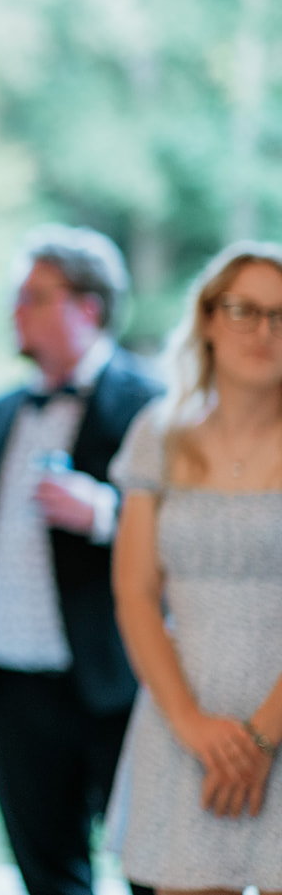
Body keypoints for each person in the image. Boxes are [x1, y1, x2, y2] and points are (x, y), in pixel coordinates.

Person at [0, 224, 163, 895]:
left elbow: (193, 538)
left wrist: (105, 514)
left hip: (116, 681)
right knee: (47, 874)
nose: (16, 310)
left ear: (88, 307)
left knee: (154, 868)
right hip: (8, 683)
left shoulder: (152, 406)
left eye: (33, 296)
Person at [108, 241, 282, 895]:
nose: (263, 330)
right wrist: (190, 723)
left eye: (280, 315)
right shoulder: (159, 434)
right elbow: (135, 592)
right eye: (244, 309)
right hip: (183, 721)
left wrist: (262, 737)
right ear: (209, 318)